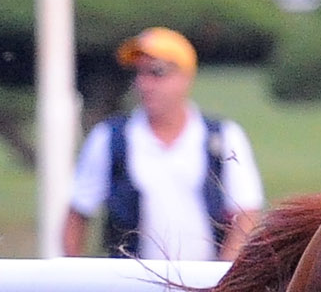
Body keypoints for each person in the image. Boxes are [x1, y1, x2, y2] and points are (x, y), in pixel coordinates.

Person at [63, 27, 264, 261]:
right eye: (139, 74)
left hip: (204, 286)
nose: (144, 84)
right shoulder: (110, 138)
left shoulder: (223, 137)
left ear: (186, 78)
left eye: (157, 73)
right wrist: (81, 281)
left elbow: (246, 217)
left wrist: (222, 281)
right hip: (128, 288)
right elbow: (77, 214)